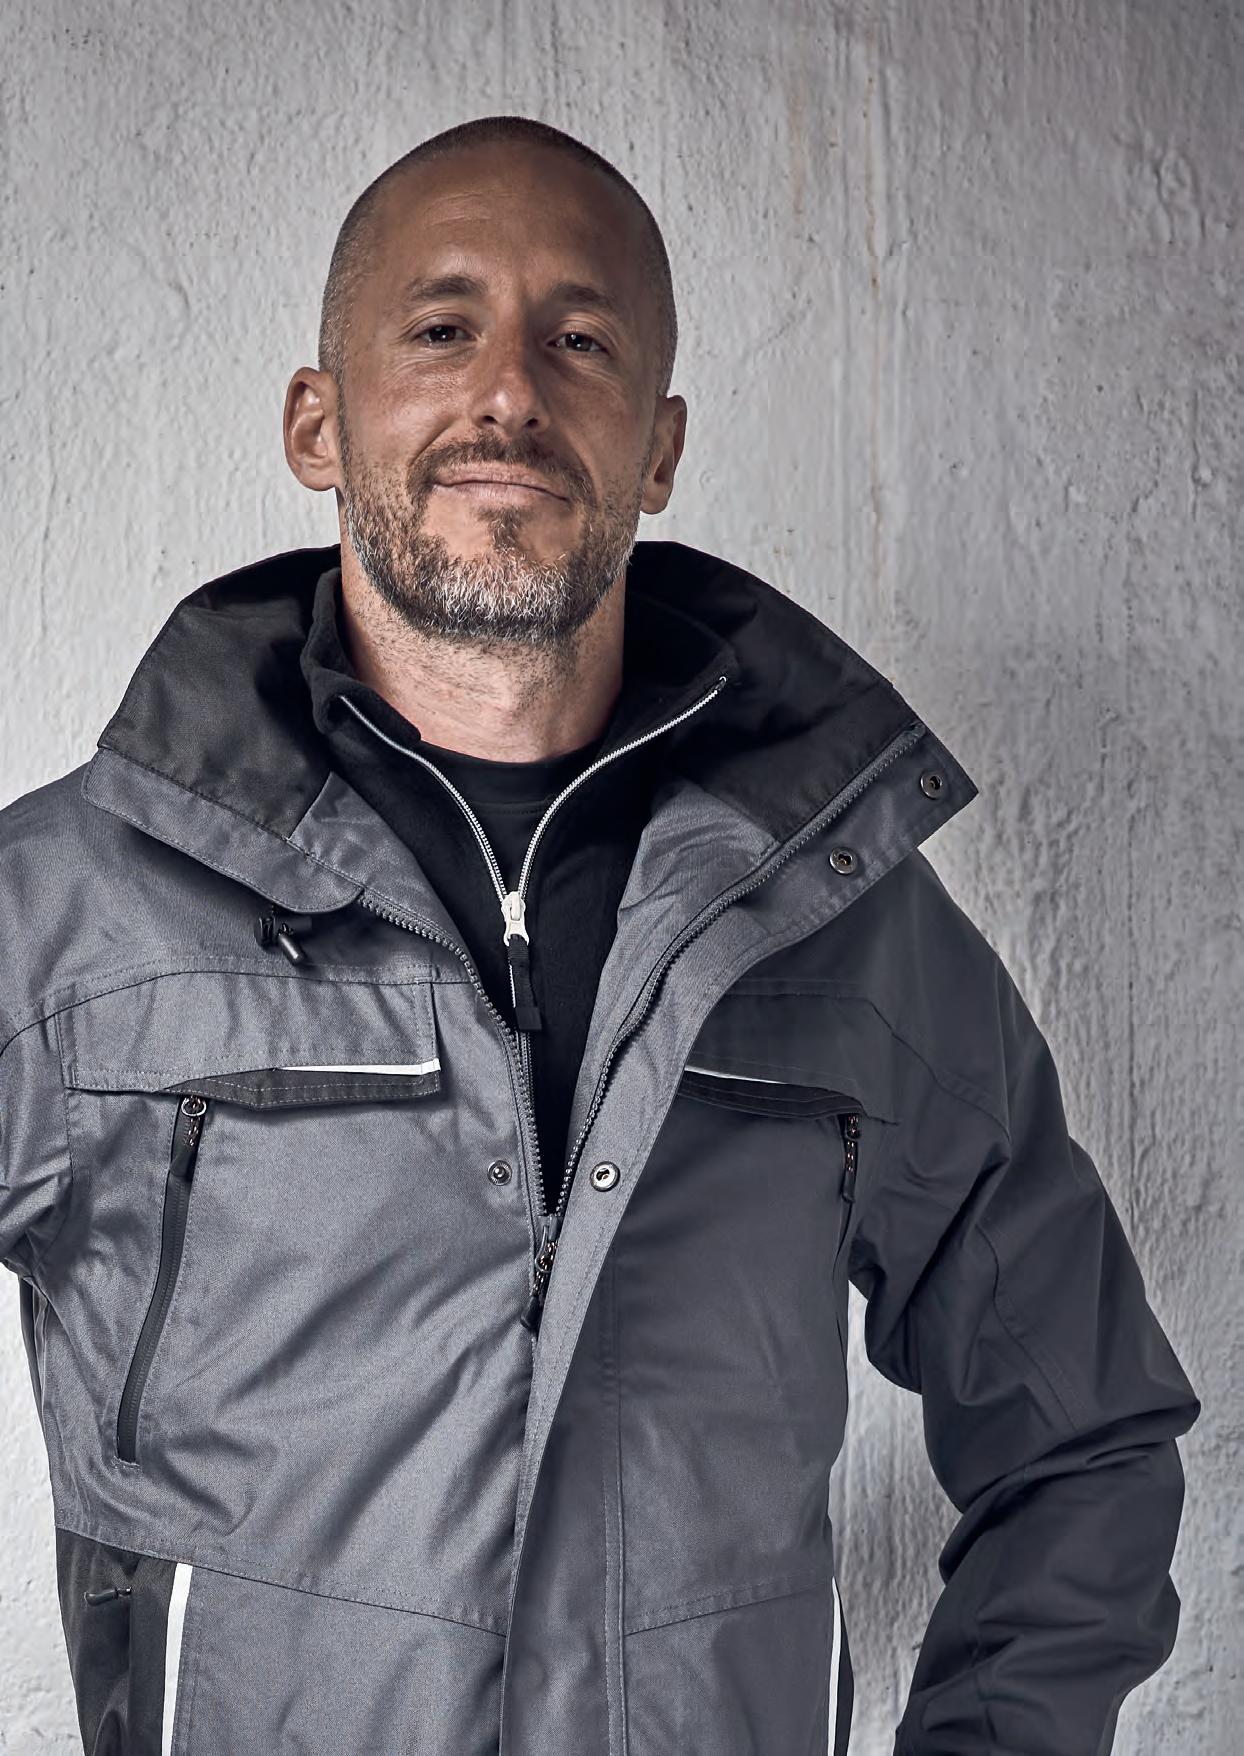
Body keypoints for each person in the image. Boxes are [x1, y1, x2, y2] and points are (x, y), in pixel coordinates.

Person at [0, 114, 1199, 1756]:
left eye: (580, 341)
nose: (509, 393)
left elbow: (1087, 1437)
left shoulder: (844, 928)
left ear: (658, 447)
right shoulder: (68, 910)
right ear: (317, 421)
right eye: (442, 329)